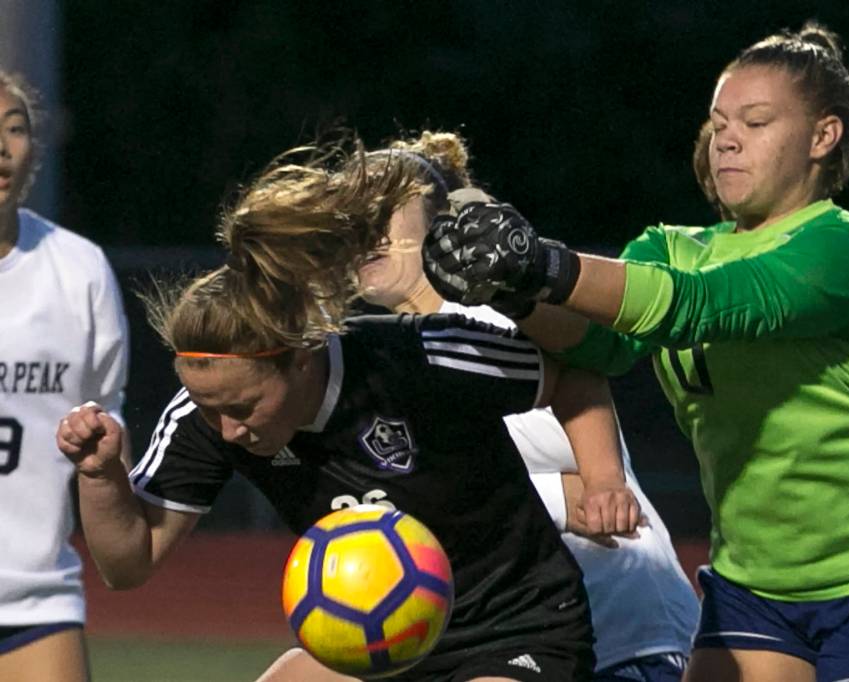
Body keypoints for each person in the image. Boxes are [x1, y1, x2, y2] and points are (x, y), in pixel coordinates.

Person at [422, 21, 849, 682]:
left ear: (823, 137)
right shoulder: (670, 247)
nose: (728, 139)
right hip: (755, 589)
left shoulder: (845, 250)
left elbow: (700, 305)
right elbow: (599, 345)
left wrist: (542, 264)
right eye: (719, 124)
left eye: (756, 121)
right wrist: (515, 290)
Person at [56, 143, 643, 682]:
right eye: (213, 411)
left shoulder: (417, 357)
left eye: (244, 406)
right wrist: (100, 475)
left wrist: (603, 480)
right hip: (372, 650)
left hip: (514, 630)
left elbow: (571, 375)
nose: (229, 429)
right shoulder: (206, 414)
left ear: (302, 358)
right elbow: (127, 565)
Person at [354, 131, 700, 681]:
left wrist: (596, 483)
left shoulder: (499, 317)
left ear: (440, 221)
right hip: (505, 644)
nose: (362, 232)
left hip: (622, 640)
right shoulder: (377, 354)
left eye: (382, 213)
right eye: (350, 218)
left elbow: (581, 378)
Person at [0, 70, 131, 682]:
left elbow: (108, 413)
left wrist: (102, 443)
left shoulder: (78, 268)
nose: (1, 145)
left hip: (35, 596)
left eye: (15, 128)